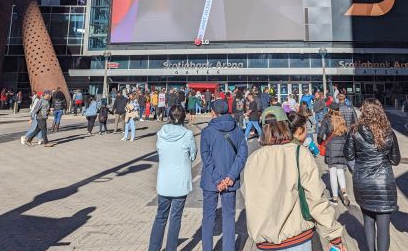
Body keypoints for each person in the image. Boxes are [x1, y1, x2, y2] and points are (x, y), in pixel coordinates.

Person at [242, 105, 346, 251]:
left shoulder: (253, 159)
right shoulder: (299, 153)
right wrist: (334, 236)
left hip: (264, 240)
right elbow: (316, 199)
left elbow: (250, 198)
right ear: (285, 126)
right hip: (296, 239)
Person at [345, 99, 400, 251]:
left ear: (363, 111)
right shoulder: (388, 132)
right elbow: (395, 160)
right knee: (384, 227)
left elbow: (348, 156)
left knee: (368, 221)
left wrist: (357, 169)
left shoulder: (354, 131)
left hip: (362, 181)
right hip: (384, 183)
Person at [148, 105, 197, 251]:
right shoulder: (187, 135)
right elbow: (193, 155)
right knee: (175, 218)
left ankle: (153, 248)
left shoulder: (161, 133)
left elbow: (159, 150)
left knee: (160, 217)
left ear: (169, 116)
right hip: (180, 182)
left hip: (164, 182)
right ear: (184, 117)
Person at [200, 99, 248, 251]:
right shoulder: (238, 130)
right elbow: (242, 155)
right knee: (229, 218)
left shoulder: (207, 131)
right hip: (230, 181)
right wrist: (230, 177)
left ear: (213, 112)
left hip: (211, 181)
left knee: (208, 217)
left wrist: (218, 179)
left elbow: (206, 157)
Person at [318, 102, 350, 205]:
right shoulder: (342, 119)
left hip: (331, 148)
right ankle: (344, 194)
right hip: (342, 148)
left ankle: (335, 198)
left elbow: (320, 135)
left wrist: (321, 142)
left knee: (332, 172)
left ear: (330, 109)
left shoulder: (327, 119)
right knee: (340, 171)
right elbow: (347, 134)